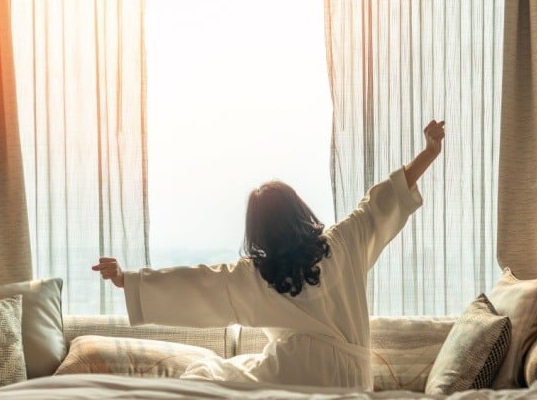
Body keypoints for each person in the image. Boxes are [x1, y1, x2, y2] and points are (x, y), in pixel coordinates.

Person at [92, 120, 446, 390]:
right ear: (300, 210)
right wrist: (428, 152)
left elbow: (197, 283)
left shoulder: (256, 275)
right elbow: (382, 201)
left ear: (257, 231)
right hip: (354, 381)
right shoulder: (344, 242)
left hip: (295, 375)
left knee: (204, 373)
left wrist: (129, 280)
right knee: (224, 369)